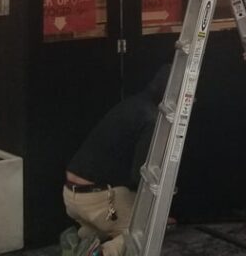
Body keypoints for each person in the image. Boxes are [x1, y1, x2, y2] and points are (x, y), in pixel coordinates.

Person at [61, 66, 169, 256]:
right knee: (149, 227)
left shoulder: (132, 104)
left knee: (117, 217)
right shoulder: (151, 119)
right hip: (99, 200)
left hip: (71, 196)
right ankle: (98, 253)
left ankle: (82, 236)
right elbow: (139, 176)